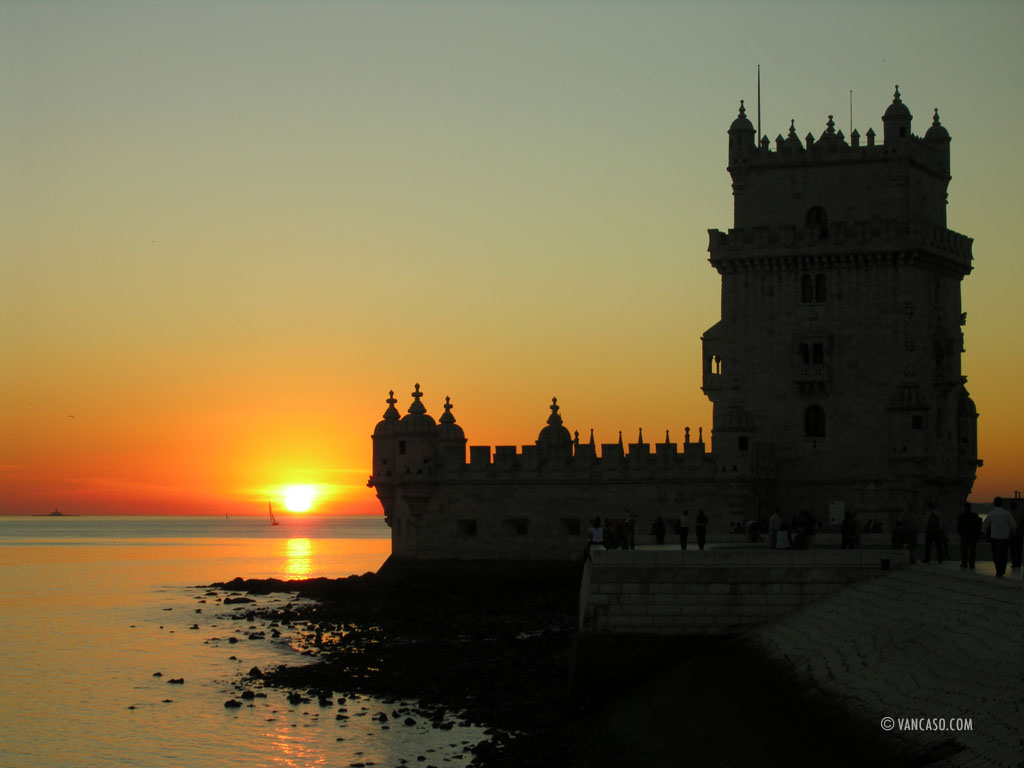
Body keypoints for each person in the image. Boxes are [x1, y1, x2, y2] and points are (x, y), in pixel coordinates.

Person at [982, 497, 1017, 578]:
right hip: (1005, 537)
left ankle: (998, 570)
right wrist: (1013, 532)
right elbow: (1013, 525)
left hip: (994, 537)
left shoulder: (991, 514)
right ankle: (1002, 570)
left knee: (996, 555)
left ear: (994, 503)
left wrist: (983, 531)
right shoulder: (1007, 513)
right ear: (1002, 503)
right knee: (1004, 555)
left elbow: (985, 525)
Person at [957, 502, 981, 569]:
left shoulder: (961, 516)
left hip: (964, 535)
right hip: (972, 535)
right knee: (972, 551)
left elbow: (959, 526)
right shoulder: (975, 515)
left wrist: (960, 532)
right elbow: (978, 526)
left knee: (964, 550)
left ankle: (964, 563)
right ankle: (972, 564)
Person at [1008, 501, 1023, 569]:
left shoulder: (1009, 514)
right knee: (1019, 549)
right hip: (1019, 533)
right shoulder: (1020, 514)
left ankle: (1014, 563)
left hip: (1011, 534)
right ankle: (1019, 562)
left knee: (1012, 549)